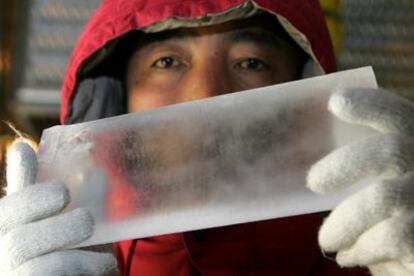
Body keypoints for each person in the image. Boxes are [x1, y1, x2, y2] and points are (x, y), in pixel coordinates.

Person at [1, 0, 414, 275]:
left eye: (251, 62)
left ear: (305, 95)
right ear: (118, 97)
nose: (206, 93)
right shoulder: (47, 260)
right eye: (167, 61)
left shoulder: (376, 253)